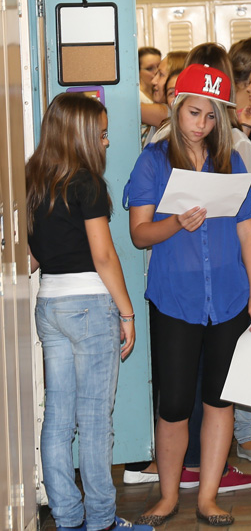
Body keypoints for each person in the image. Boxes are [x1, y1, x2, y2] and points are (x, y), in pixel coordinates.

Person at [126, 64, 251, 528]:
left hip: (228, 297)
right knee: (173, 403)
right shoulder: (153, 159)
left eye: (210, 116)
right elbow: (140, 234)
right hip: (175, 298)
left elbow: (248, 230)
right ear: (175, 108)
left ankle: (208, 497)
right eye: (193, 112)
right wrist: (177, 222)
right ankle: (168, 496)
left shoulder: (231, 160)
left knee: (220, 399)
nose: (201, 124)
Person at [28, 93, 152, 531]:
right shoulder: (87, 184)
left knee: (59, 417)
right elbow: (104, 256)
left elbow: (32, 255)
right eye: (100, 134)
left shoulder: (33, 180)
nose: (105, 143)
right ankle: (101, 520)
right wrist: (127, 311)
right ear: (80, 136)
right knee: (97, 419)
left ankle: (68, 518)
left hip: (50, 304)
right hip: (89, 305)